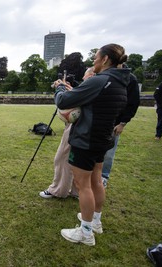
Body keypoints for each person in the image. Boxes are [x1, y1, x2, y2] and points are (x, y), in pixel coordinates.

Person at [55, 44, 129, 246]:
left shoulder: (100, 80)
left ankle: (85, 232)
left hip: (86, 140)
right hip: (103, 139)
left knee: (83, 185)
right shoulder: (120, 82)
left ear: (105, 59)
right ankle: (95, 221)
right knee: (97, 180)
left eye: (96, 57)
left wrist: (60, 88)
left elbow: (64, 101)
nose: (94, 61)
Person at [39, 67, 95, 199]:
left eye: (85, 76)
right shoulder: (103, 86)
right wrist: (72, 90)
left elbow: (63, 102)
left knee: (62, 158)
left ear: (92, 76)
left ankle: (58, 190)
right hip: (92, 130)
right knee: (79, 161)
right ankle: (76, 191)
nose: (83, 79)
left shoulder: (94, 84)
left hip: (78, 127)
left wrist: (60, 89)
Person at [101, 67, 140, 188]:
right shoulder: (103, 74)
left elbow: (133, 102)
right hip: (99, 120)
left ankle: (104, 176)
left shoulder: (130, 79)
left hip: (115, 122)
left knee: (109, 152)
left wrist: (123, 123)